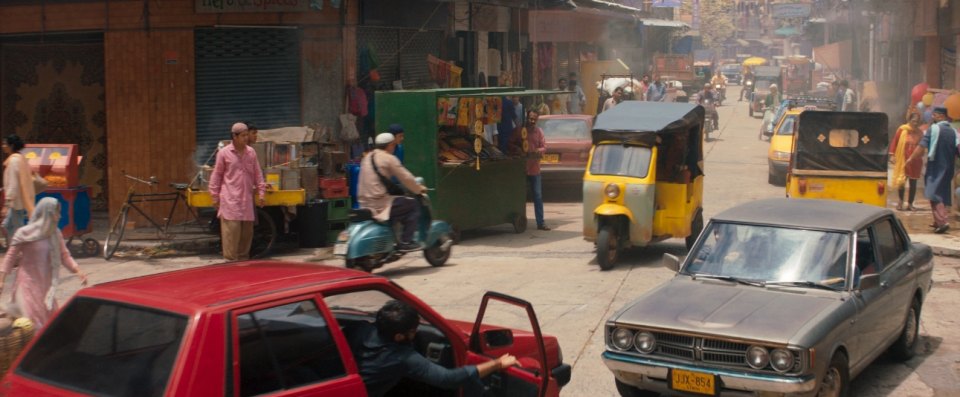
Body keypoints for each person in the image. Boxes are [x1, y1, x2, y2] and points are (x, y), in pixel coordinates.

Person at [347, 300, 517, 397]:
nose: (416, 333)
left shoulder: (360, 329)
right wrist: (497, 364)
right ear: (399, 336)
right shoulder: (401, 357)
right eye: (413, 331)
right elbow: (447, 378)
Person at [0, 197, 88, 328]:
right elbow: (10, 257)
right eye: (56, 213)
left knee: (47, 324)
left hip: (45, 287)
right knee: (31, 324)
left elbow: (64, 256)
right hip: (27, 284)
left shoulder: (55, 233)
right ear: (47, 213)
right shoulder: (24, 233)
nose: (59, 216)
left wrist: (78, 271)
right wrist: (1, 279)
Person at [357, 133, 427, 250]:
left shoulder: (367, 157)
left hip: (363, 202)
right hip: (379, 202)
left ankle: (394, 237)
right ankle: (406, 241)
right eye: (393, 145)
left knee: (398, 202)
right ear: (390, 145)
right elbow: (406, 177)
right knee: (412, 204)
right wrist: (419, 188)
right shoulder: (389, 158)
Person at [209, 122, 267, 261]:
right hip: (230, 202)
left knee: (246, 240)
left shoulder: (251, 152)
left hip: (246, 202)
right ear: (234, 136)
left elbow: (257, 173)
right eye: (243, 135)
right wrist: (214, 196)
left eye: (247, 135)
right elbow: (216, 175)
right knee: (231, 240)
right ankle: (230, 268)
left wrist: (261, 192)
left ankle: (243, 268)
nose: (246, 138)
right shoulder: (224, 153)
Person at [906, 107, 960, 234]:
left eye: (935, 115)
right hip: (948, 167)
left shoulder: (933, 129)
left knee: (933, 193)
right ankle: (937, 221)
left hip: (935, 165)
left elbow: (921, 146)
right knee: (941, 193)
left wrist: (911, 159)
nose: (933, 117)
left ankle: (942, 221)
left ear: (941, 116)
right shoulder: (953, 131)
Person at [509, 110, 550, 231]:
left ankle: (540, 223)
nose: (532, 121)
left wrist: (539, 150)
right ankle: (519, 220)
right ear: (527, 118)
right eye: (530, 118)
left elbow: (544, 147)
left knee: (537, 196)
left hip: (535, 169)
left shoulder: (539, 132)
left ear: (537, 120)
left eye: (534, 119)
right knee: (520, 196)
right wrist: (518, 150)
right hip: (521, 169)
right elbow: (510, 143)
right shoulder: (519, 131)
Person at [2, 134, 36, 245]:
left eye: (5, 144)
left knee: (16, 229)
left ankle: (19, 252)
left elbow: (13, 184)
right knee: (9, 226)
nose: (3, 146)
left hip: (15, 202)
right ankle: (15, 251)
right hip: (19, 201)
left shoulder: (13, 161)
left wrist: (7, 204)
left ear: (11, 146)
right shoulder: (20, 158)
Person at [890, 112, 923, 211]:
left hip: (915, 161)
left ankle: (910, 204)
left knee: (913, 183)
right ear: (909, 120)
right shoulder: (902, 129)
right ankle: (900, 202)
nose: (915, 123)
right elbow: (895, 142)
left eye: (917, 122)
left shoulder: (920, 132)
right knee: (901, 181)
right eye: (913, 121)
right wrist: (892, 155)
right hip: (903, 159)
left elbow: (922, 146)